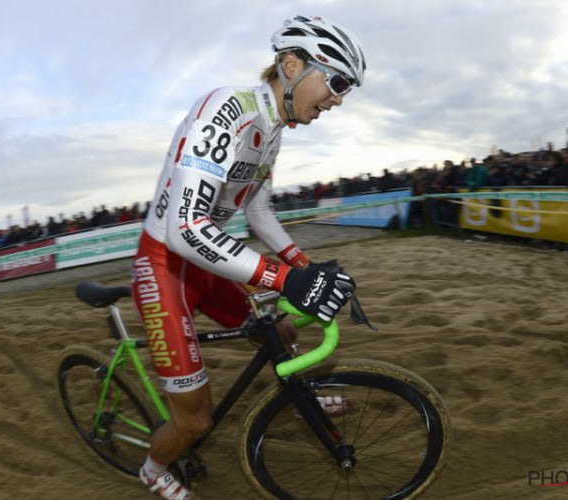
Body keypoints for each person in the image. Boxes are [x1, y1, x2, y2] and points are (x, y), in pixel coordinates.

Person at [130, 15, 366, 500]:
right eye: (337, 82)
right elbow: (186, 226)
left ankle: (301, 400)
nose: (339, 99)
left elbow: (257, 209)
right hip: (165, 264)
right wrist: (283, 278)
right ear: (292, 63)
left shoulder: (272, 129)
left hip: (203, 259)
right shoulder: (226, 111)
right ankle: (153, 469)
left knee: (278, 329)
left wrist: (303, 265)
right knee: (196, 419)